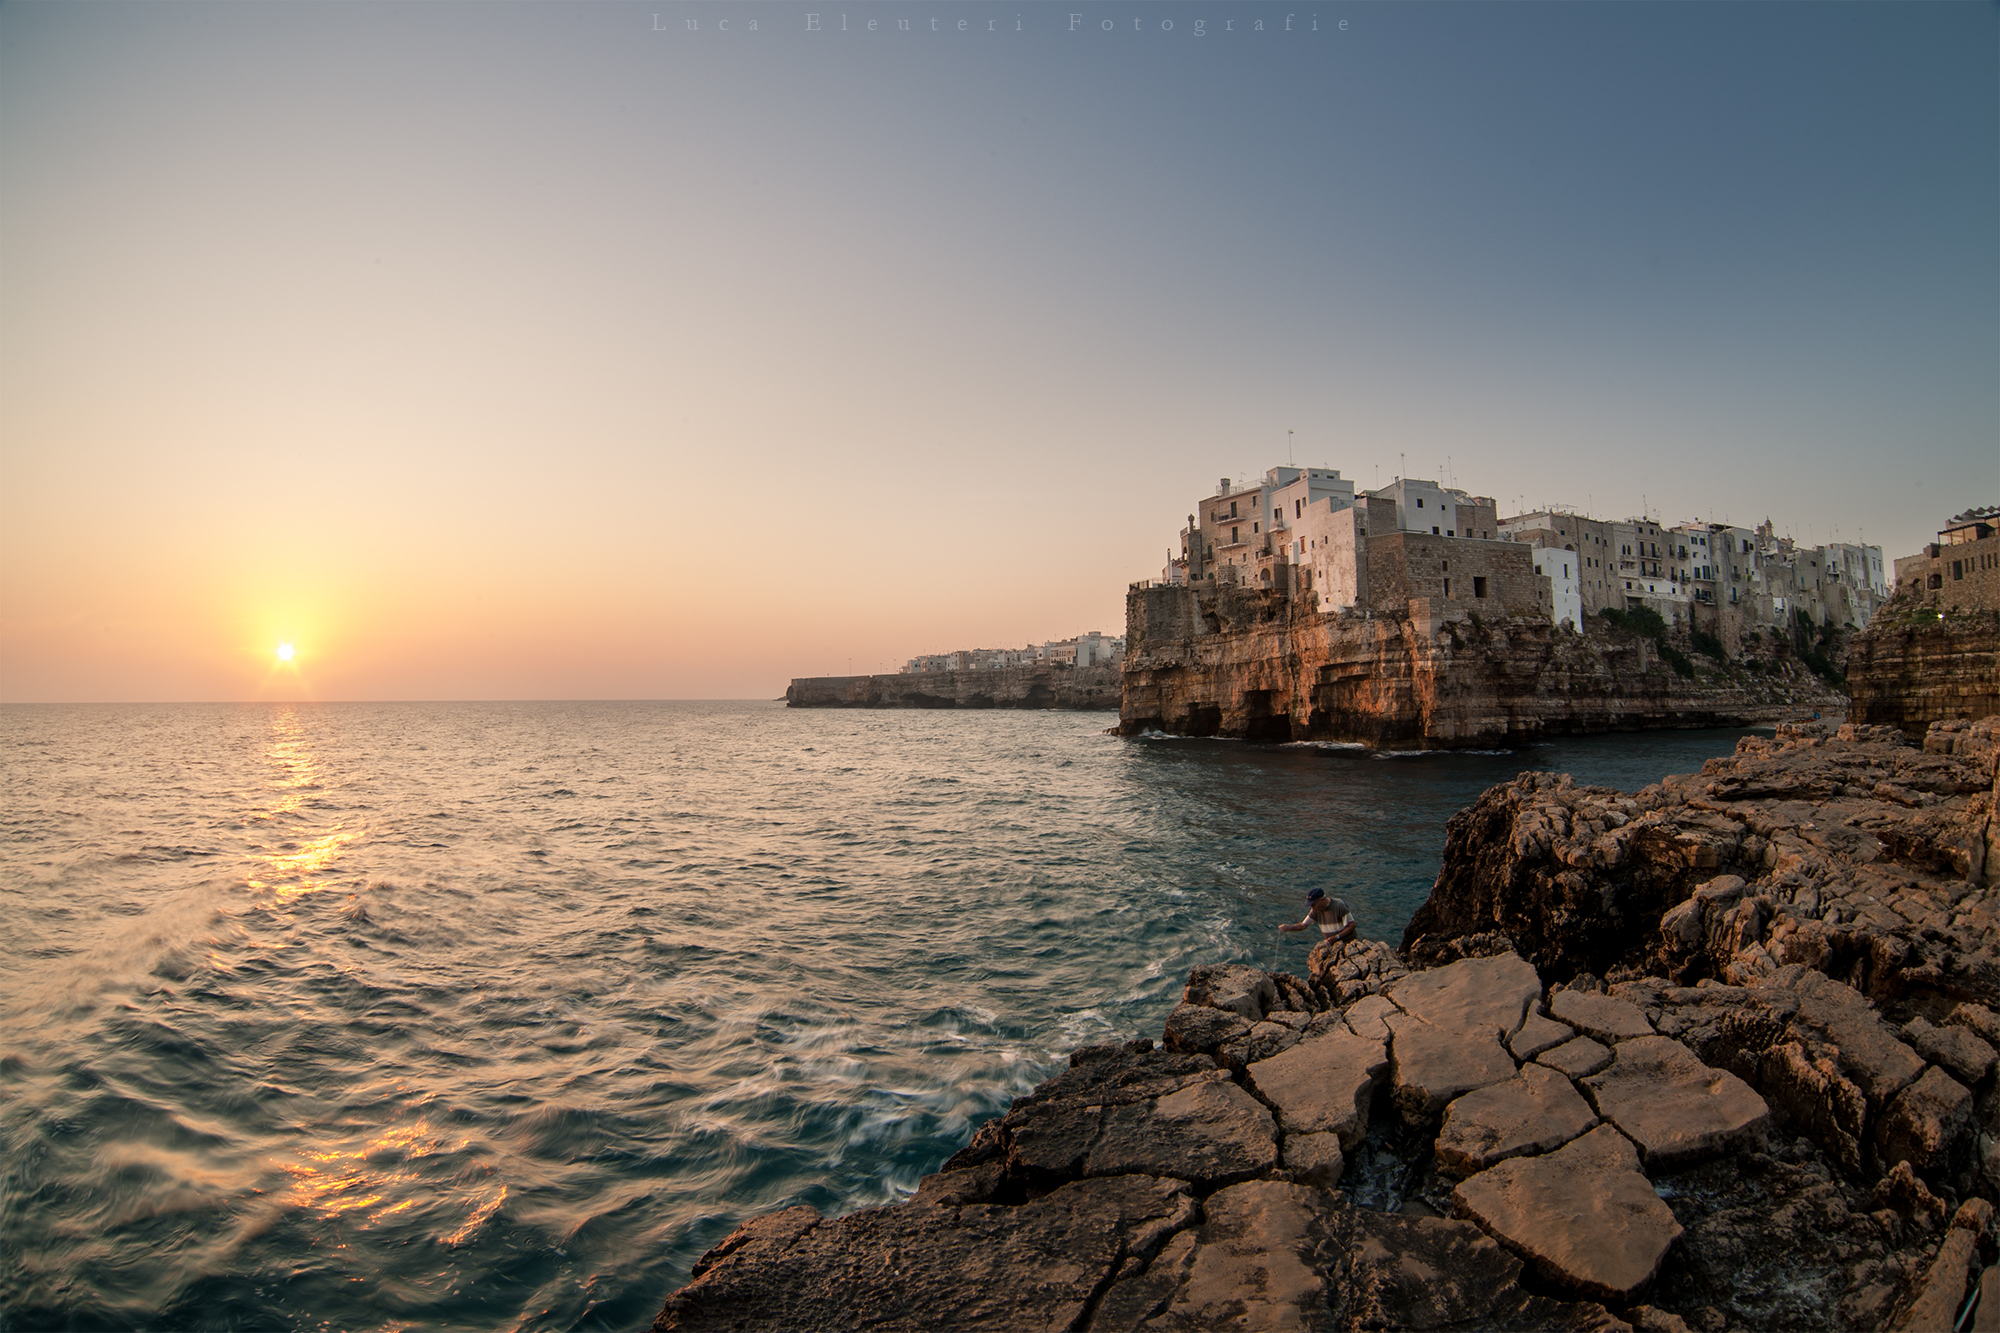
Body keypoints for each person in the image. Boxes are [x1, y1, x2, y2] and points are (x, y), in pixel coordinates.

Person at [1279, 888, 1355, 962]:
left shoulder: (1339, 906)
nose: (1312, 907)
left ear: (1321, 900)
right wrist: (1289, 927)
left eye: (1313, 904)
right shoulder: (1316, 910)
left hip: (1349, 945)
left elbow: (1352, 925)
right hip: (1333, 946)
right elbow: (1303, 925)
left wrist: (1337, 937)